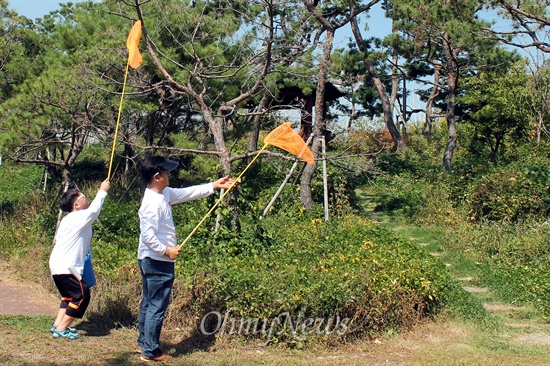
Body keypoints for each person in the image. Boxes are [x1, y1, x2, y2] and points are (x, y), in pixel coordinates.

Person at [137, 155, 235, 362]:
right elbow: (147, 237)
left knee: (148, 302)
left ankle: (145, 343)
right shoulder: (151, 204)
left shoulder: (163, 193)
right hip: (157, 261)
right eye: (166, 172)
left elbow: (187, 193)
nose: (169, 175)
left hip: (152, 260)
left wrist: (214, 185)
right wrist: (166, 251)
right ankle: (150, 351)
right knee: (155, 306)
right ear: (157, 177)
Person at [49, 178, 110, 339]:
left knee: (69, 297)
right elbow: (94, 211)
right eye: (82, 196)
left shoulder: (68, 220)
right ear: (76, 204)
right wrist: (103, 190)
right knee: (82, 296)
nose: (85, 197)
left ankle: (57, 325)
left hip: (58, 266)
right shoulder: (78, 217)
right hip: (67, 266)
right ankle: (62, 328)